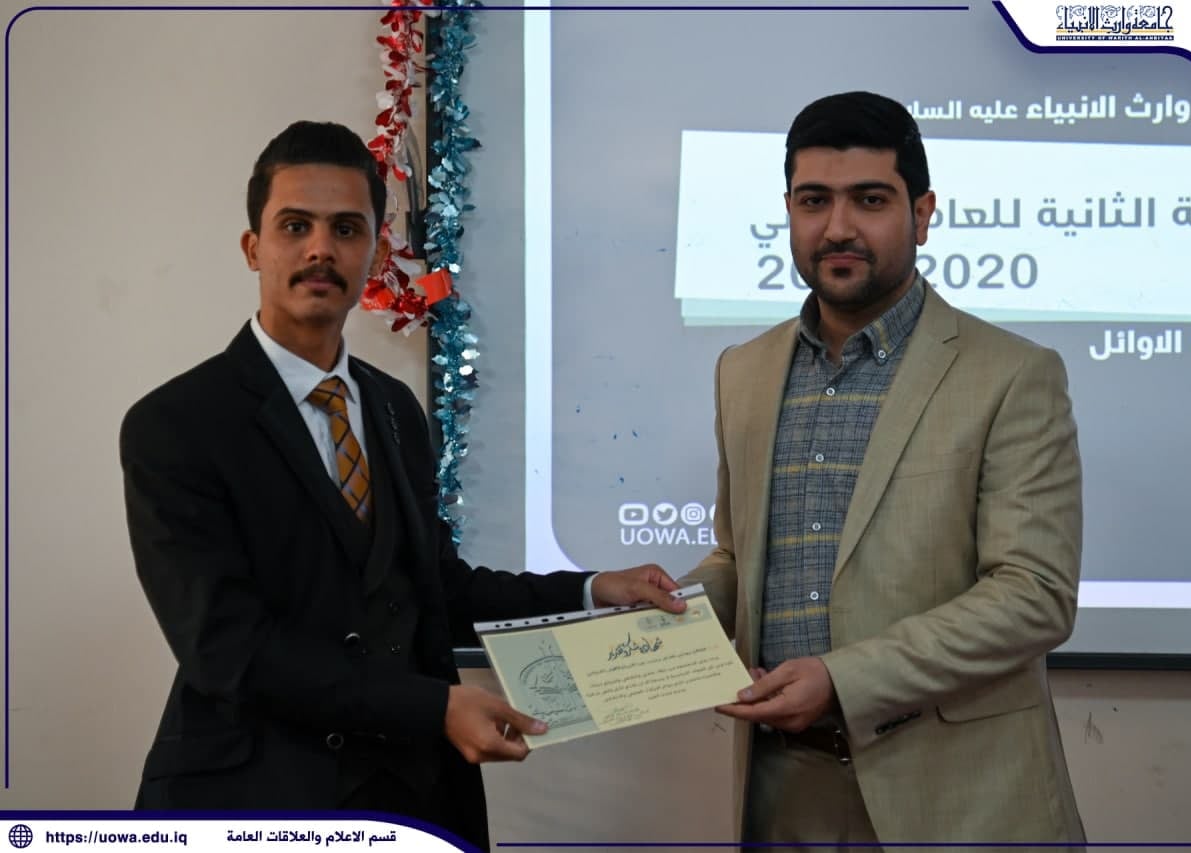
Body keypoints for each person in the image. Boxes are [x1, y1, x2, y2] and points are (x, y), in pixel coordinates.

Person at [120, 120, 684, 849]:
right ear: (253, 248)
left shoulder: (394, 409)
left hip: (413, 802)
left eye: (346, 228)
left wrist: (591, 588)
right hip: (254, 801)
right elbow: (227, 650)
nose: (320, 249)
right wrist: (432, 707)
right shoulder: (175, 423)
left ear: (375, 254)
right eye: (295, 226)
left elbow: (436, 591)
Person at [680, 91, 1086, 848]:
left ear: (922, 213)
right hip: (783, 792)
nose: (838, 227)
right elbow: (742, 558)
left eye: (870, 200)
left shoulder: (1012, 374)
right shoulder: (744, 371)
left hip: (960, 800)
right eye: (814, 201)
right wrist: (657, 617)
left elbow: (1034, 594)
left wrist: (844, 679)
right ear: (789, 211)